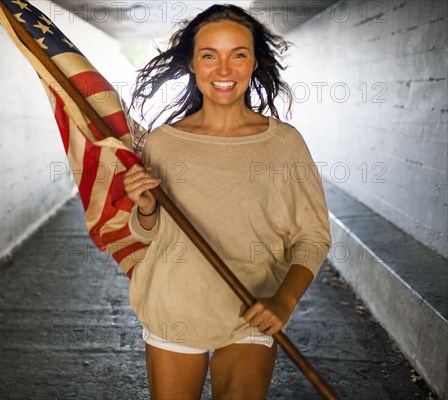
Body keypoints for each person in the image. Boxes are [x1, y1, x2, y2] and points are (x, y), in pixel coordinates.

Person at [123, 4, 332, 399]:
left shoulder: (284, 144)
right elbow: (146, 232)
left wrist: (283, 302)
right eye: (209, 56)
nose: (223, 70)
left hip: (251, 309)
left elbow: (314, 236)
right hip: (175, 306)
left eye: (238, 55)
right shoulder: (163, 142)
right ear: (193, 64)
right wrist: (147, 208)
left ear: (254, 63)